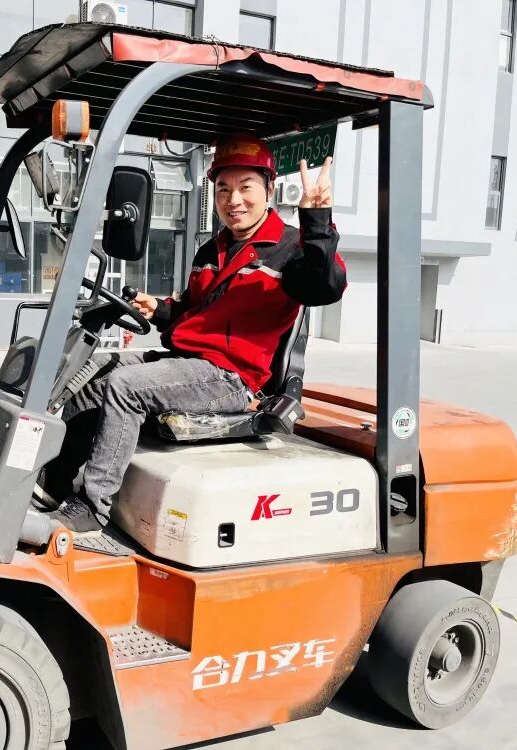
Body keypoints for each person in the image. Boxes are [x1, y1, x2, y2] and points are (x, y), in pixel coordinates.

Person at [44, 133, 346, 534]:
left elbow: (324, 287)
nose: (234, 200)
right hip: (191, 364)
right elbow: (194, 312)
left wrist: (318, 222)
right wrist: (160, 309)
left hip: (231, 378)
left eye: (246, 187)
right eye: (223, 189)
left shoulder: (292, 248)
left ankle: (92, 507)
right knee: (92, 372)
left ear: (270, 190)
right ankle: (52, 483)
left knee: (124, 386)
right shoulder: (212, 249)